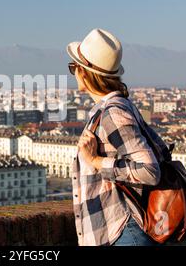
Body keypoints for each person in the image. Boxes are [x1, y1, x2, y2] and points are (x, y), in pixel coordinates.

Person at [66, 28, 168, 246]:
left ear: (85, 72)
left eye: (73, 67)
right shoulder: (112, 108)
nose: (73, 72)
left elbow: (149, 171)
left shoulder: (113, 113)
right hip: (118, 233)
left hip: (124, 233)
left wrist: (95, 161)